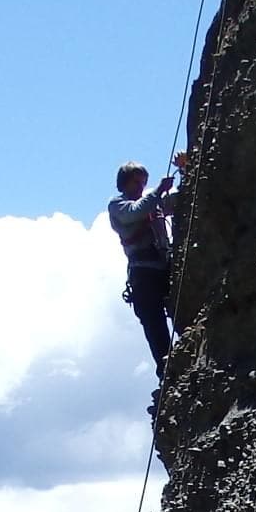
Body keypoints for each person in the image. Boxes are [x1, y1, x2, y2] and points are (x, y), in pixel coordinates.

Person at [109, 155, 190, 375]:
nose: (141, 187)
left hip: (163, 268)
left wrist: (184, 170)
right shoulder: (117, 206)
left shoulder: (152, 203)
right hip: (143, 275)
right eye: (136, 182)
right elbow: (134, 213)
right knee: (157, 332)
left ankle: (183, 363)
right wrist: (157, 191)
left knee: (184, 315)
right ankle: (168, 372)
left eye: (143, 183)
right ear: (124, 184)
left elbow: (184, 198)